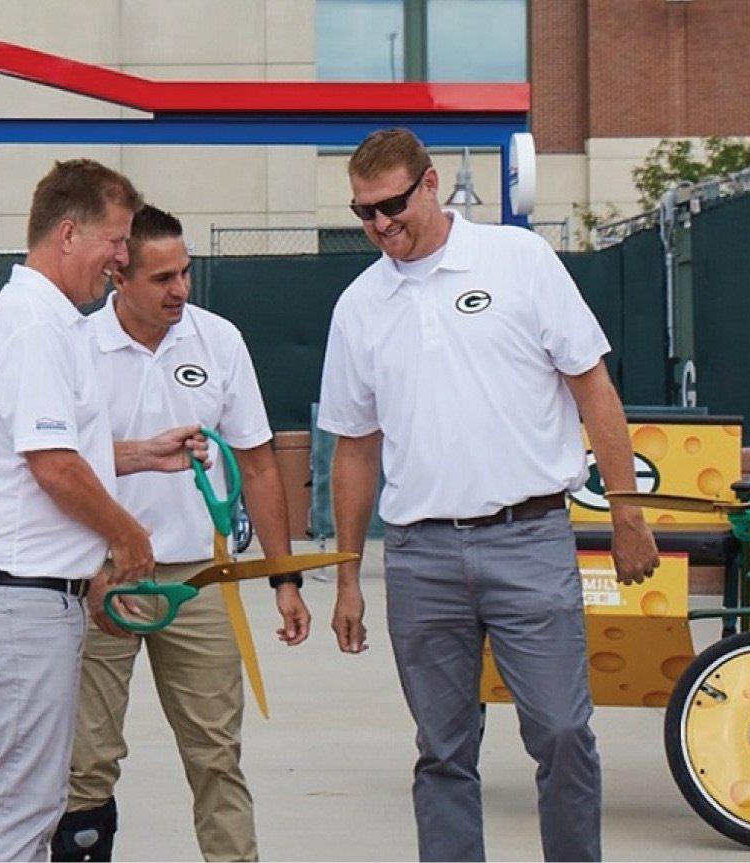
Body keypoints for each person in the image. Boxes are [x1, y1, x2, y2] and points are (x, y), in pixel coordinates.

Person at [316, 128, 660, 862]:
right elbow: (353, 446)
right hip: (418, 554)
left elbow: (593, 390)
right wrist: (347, 574)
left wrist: (627, 513)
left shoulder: (518, 260)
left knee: (563, 732)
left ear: (432, 184)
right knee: (442, 749)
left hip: (528, 538)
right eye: (364, 213)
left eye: (392, 205)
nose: (381, 225)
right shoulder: (357, 305)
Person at [0, 159, 209, 862]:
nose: (122, 258)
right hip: (17, 599)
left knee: (27, 801)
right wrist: (130, 538)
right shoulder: (36, 328)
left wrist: (144, 454)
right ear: (67, 233)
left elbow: (58, 451)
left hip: (17, 596)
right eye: (115, 241)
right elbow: (52, 465)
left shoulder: (41, 320)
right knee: (22, 809)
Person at [55, 206, 310, 862]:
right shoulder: (76, 347)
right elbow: (59, 464)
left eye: (186, 272)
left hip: (200, 579)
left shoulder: (217, 340)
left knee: (216, 756)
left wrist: (285, 579)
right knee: (86, 763)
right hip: (102, 578)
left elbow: (256, 460)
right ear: (119, 276)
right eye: (162, 277)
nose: (179, 289)